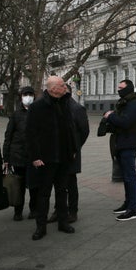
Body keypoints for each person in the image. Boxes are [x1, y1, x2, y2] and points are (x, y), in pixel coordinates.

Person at [26, 76, 80, 240]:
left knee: (62, 192)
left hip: (63, 157)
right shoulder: (37, 106)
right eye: (62, 85)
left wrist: (72, 149)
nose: (65, 87)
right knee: (44, 194)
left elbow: (70, 128)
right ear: (52, 88)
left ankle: (63, 222)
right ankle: (40, 227)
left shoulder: (64, 104)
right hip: (45, 158)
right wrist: (35, 156)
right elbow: (31, 133)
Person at [103, 79, 136, 221]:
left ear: (128, 89)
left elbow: (125, 122)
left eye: (121, 88)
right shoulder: (125, 103)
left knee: (130, 177)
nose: (118, 90)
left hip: (128, 143)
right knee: (125, 177)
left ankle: (133, 209)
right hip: (121, 142)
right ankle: (128, 203)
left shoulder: (135, 104)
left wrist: (111, 116)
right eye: (118, 87)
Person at [47, 86, 89, 224]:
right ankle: (58, 209)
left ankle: (72, 211)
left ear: (65, 92)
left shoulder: (77, 109)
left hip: (71, 153)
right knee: (58, 183)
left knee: (71, 182)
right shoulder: (55, 106)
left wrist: (75, 147)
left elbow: (84, 131)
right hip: (56, 152)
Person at [3, 86, 38, 221]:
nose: (28, 97)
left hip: (34, 156)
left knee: (34, 186)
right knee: (19, 186)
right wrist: (6, 157)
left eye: (30, 94)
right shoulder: (16, 114)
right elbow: (8, 136)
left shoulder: (37, 113)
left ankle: (34, 209)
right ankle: (18, 211)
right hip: (18, 156)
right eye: (25, 94)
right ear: (21, 96)